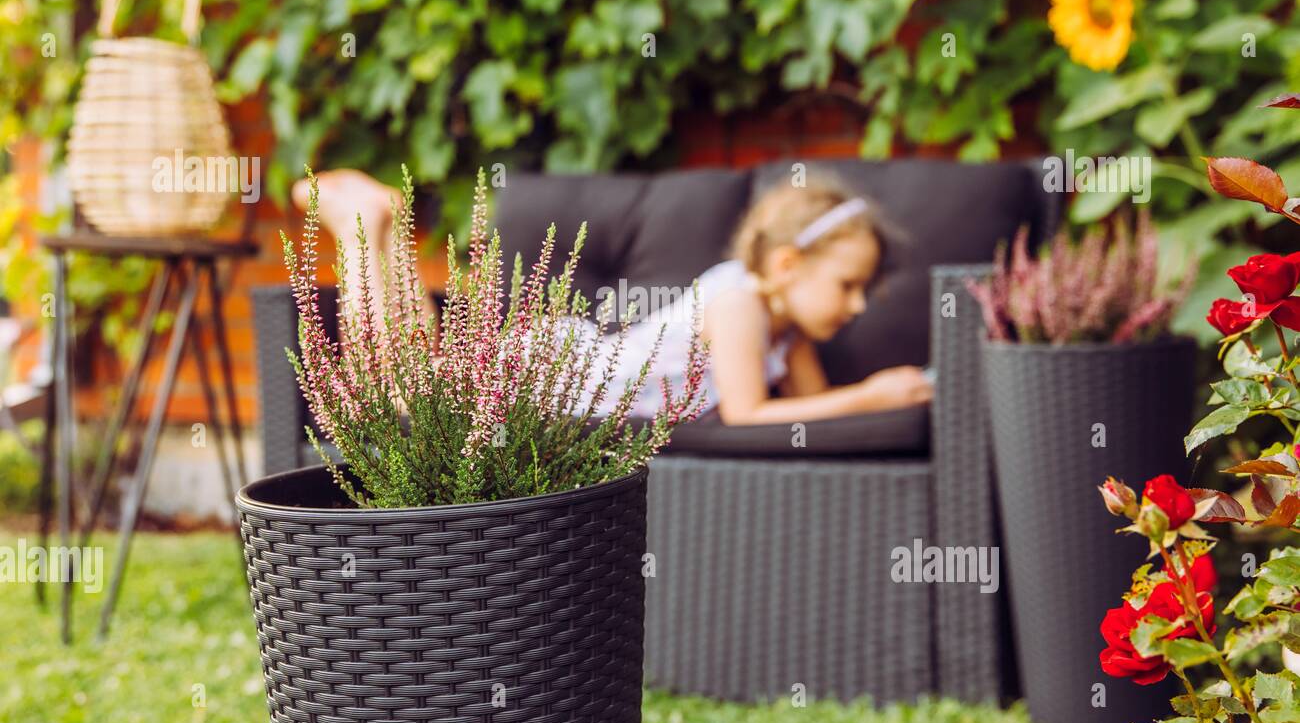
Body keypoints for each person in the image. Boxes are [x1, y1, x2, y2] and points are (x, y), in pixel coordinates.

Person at [293, 169, 932, 426]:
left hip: (570, 369)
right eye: (847, 286)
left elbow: (811, 412)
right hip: (559, 380)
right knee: (392, 394)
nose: (855, 307)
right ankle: (360, 231)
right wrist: (874, 395)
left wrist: (886, 397)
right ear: (787, 265)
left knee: (415, 377)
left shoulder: (786, 332)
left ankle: (385, 228)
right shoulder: (739, 305)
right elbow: (749, 416)